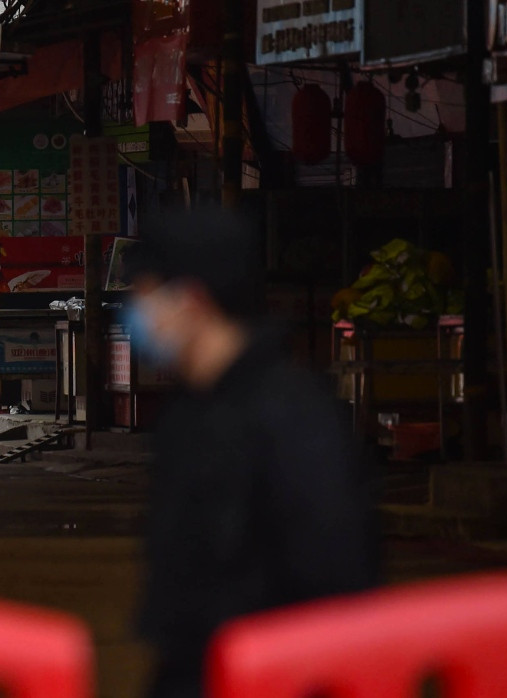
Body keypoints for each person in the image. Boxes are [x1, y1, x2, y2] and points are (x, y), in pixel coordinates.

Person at [126, 208, 379, 698]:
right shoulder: (187, 413)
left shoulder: (294, 418)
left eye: (146, 296)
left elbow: (336, 582)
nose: (137, 315)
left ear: (192, 300)